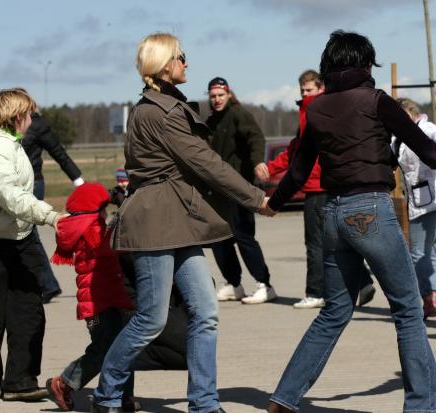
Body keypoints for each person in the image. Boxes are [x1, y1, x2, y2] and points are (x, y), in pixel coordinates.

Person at [263, 30, 436, 413]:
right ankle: (420, 407)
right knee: (408, 309)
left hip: (332, 214)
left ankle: (284, 399)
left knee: (334, 311)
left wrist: (274, 203)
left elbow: (298, 170)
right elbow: (416, 138)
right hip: (371, 210)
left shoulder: (315, 109)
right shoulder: (376, 100)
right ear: (364, 63)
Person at [91, 33, 267, 413]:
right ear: (164, 64)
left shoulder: (160, 106)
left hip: (178, 220)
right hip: (155, 222)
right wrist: (256, 198)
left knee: (206, 312)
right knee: (151, 320)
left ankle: (203, 403)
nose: (187, 63)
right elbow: (206, 162)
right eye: (181, 57)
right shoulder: (161, 112)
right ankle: (107, 395)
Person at [0, 88, 67, 401]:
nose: (33, 120)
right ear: (18, 116)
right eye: (31, 114)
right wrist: (51, 216)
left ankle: (20, 380)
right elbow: (11, 197)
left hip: (19, 236)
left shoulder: (13, 145)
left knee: (29, 309)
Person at [263, 69, 375, 309]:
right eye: (302, 90)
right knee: (339, 238)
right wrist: (272, 168)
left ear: (321, 88)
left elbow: (302, 151)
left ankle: (316, 292)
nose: (305, 94)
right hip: (330, 182)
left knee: (316, 242)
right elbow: (296, 148)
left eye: (309, 90)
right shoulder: (319, 109)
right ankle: (363, 281)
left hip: (318, 184)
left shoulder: (314, 110)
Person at [45, 183, 136, 412]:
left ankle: (122, 396)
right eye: (103, 209)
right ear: (92, 210)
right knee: (105, 349)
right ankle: (64, 382)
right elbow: (111, 247)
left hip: (106, 299)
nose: (105, 214)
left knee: (123, 346)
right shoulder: (90, 228)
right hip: (97, 304)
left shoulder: (90, 225)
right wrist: (121, 219)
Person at [207, 76, 277, 304]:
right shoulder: (212, 121)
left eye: (220, 95)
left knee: (244, 237)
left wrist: (258, 162)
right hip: (219, 191)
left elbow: (256, 138)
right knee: (220, 239)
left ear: (229, 94)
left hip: (240, 187)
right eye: (213, 96)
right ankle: (234, 284)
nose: (217, 100)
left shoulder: (238, 114)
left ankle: (264, 285)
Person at [393, 98, 436, 317]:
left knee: (418, 252)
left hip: (432, 201)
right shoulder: (396, 138)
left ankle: (429, 295)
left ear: (411, 113)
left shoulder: (425, 127)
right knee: (430, 250)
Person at [23, 113, 84, 303]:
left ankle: (48, 285)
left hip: (33, 184)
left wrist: (80, 183)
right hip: (15, 184)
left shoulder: (37, 125)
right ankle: (43, 284)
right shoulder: (6, 124)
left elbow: (59, 154)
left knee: (28, 233)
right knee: (24, 234)